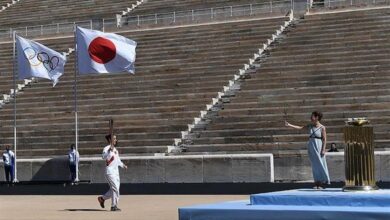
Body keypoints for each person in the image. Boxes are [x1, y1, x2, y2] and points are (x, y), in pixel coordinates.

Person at [285, 111, 330, 189]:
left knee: (320, 164)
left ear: (317, 117)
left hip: (318, 145)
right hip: (311, 146)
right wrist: (289, 125)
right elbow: (300, 128)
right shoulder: (310, 126)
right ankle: (317, 183)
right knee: (314, 165)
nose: (311, 118)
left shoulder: (322, 127)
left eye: (312, 116)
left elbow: (324, 139)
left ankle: (323, 180)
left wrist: (323, 149)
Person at [98, 134, 127, 211]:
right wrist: (108, 151)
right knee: (115, 189)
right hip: (110, 172)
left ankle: (102, 198)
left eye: (116, 138)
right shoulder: (106, 148)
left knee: (114, 189)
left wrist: (123, 165)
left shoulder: (115, 150)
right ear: (110, 140)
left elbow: (118, 160)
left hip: (116, 172)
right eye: (114, 138)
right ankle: (113, 206)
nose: (116, 140)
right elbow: (103, 157)